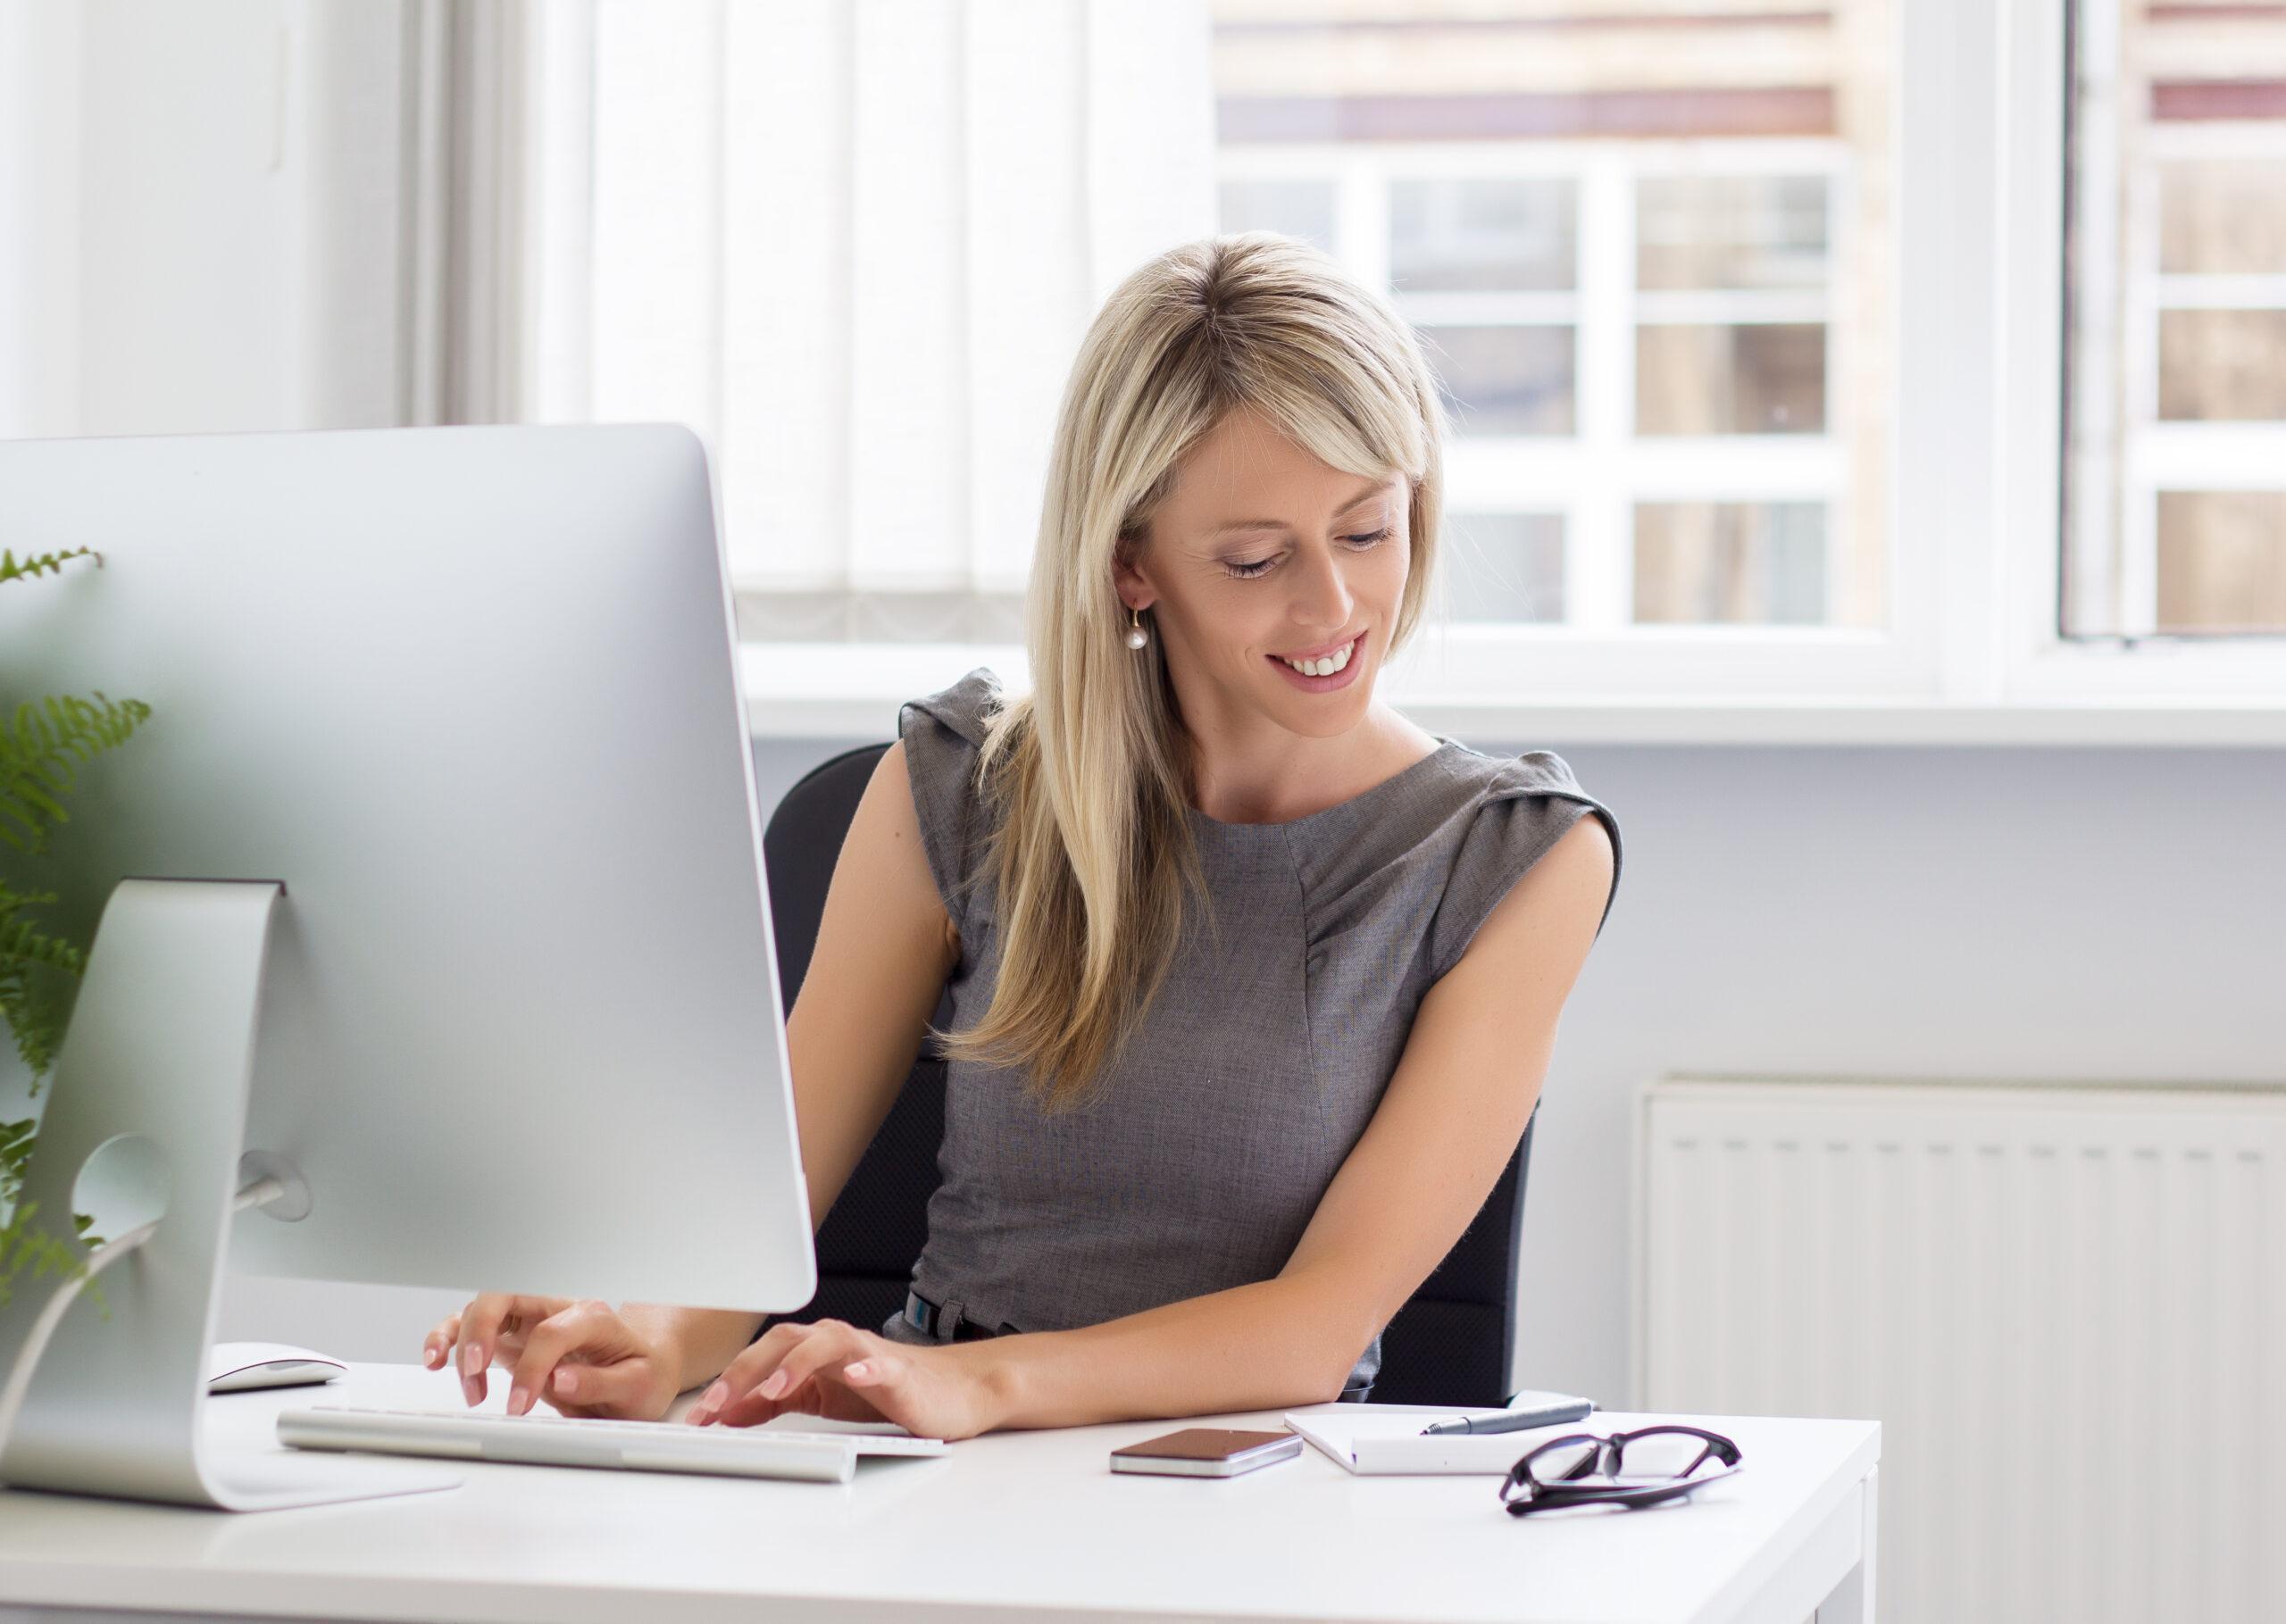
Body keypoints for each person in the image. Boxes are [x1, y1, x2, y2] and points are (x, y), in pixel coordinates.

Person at [423, 231, 1622, 1442]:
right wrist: (651, 1333)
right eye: (1257, 558)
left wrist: (984, 1387)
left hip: (1251, 1488)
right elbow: (768, 1209)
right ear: (1131, 565)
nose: (1334, 606)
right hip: (930, 1461)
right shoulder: (957, 788)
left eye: (1369, 531)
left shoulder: (1512, 862)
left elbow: (1316, 1328)